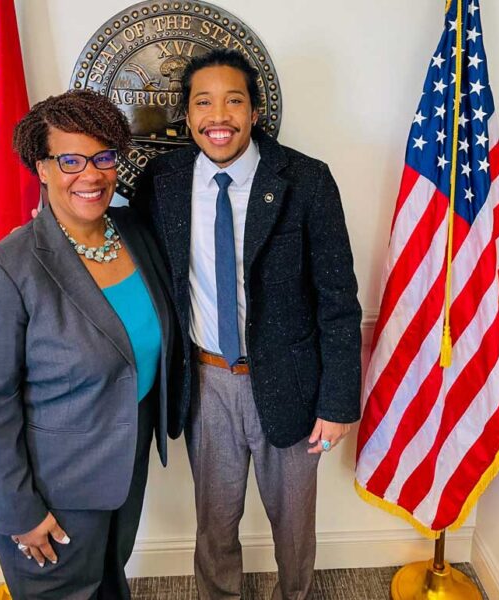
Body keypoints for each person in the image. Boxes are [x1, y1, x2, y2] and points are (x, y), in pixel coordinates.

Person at [131, 49, 362, 600]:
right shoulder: (163, 183)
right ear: (186, 116)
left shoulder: (305, 179)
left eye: (233, 101)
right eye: (203, 102)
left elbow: (338, 299)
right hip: (206, 383)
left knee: (294, 529)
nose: (219, 115)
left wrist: (337, 403)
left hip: (291, 383)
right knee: (214, 525)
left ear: (254, 111)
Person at [0, 90, 174, 600]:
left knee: (110, 584)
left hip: (125, 466)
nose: (90, 175)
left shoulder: (135, 234)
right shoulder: (4, 271)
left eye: (103, 157)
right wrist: (18, 511)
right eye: (70, 160)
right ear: (42, 166)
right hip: (54, 490)